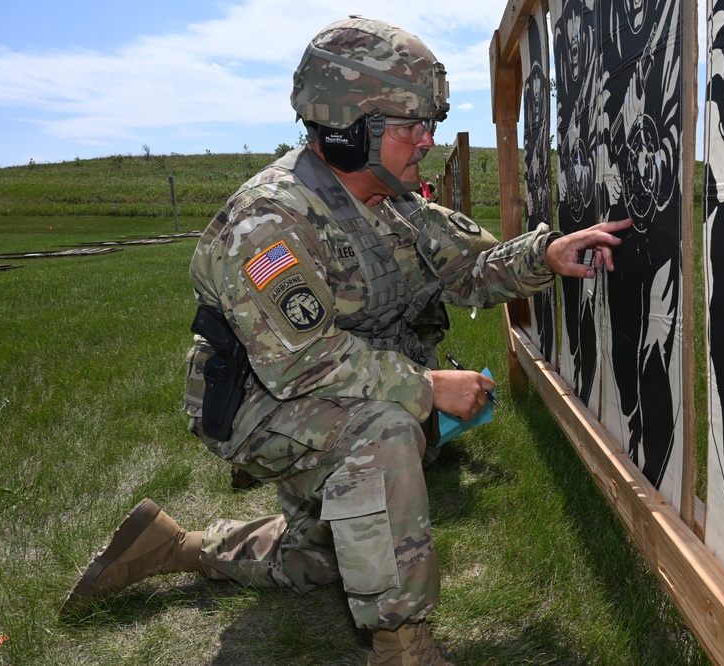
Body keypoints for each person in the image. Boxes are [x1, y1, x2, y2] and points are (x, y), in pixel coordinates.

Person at [60, 16, 631, 666]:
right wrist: (426, 388)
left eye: (430, 123)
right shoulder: (269, 222)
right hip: (260, 406)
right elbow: (302, 361)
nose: (428, 140)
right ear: (351, 126)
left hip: (330, 395)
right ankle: (402, 648)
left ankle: (171, 547)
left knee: (319, 563)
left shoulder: (393, 205)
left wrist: (547, 253)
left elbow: (470, 269)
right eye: (412, 124)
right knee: (385, 430)